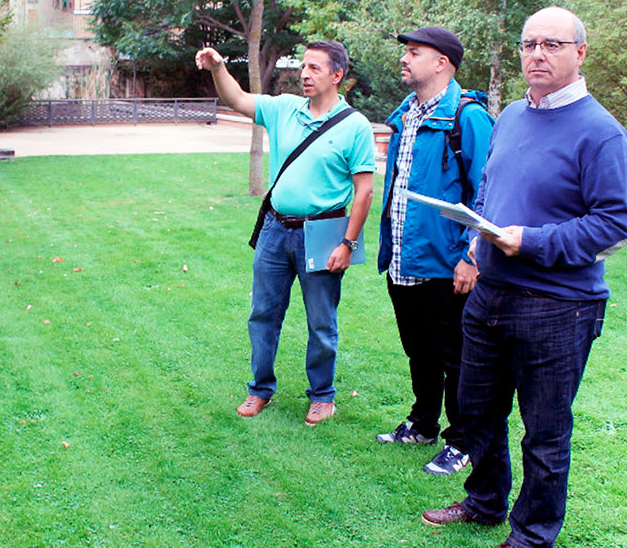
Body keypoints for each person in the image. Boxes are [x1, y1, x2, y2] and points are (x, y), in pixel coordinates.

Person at [421, 7, 627, 548]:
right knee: (477, 414)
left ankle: (533, 535)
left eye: (552, 45)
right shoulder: (514, 115)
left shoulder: (602, 133)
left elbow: (616, 225)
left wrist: (531, 241)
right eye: (528, 44)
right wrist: (474, 248)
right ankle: (486, 502)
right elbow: (493, 193)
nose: (537, 54)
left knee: (544, 433)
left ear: (579, 53)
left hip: (558, 306)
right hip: (490, 292)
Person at [195, 41, 375, 425]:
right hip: (276, 229)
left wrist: (348, 243)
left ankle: (322, 395)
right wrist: (217, 68)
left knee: (321, 320)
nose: (305, 74)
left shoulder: (355, 126)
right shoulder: (284, 108)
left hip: (324, 231)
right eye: (304, 67)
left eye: (315, 68)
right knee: (263, 314)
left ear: (337, 75)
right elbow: (238, 99)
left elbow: (365, 191)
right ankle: (259, 389)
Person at [375, 27, 494, 475]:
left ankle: (461, 441)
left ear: (442, 62)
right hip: (405, 259)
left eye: (415, 53)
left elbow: (488, 190)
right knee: (418, 350)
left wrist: (472, 255)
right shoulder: (405, 114)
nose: (405, 59)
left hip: (448, 265)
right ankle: (423, 423)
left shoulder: (468, 118)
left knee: (456, 357)